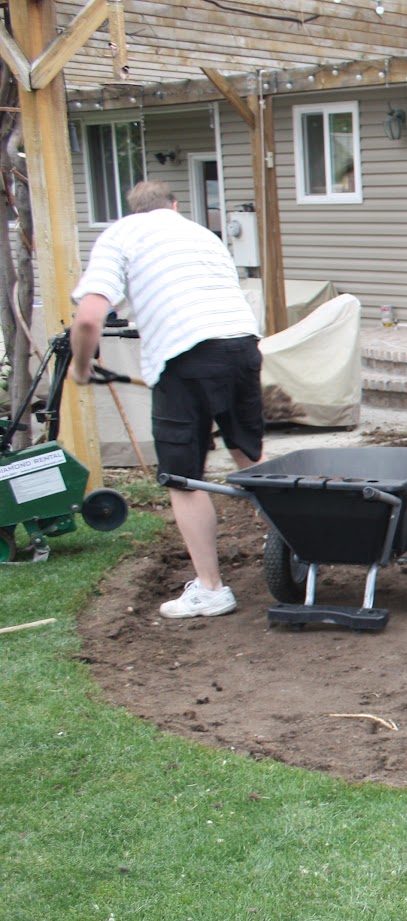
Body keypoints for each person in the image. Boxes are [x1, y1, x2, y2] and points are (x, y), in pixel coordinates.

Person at [69, 180, 264, 619]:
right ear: (174, 206)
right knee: (250, 457)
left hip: (184, 357)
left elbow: (89, 319)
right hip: (242, 344)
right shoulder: (203, 235)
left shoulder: (121, 234)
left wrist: (81, 368)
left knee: (183, 478)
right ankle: (303, 545)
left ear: (133, 211)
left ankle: (211, 589)